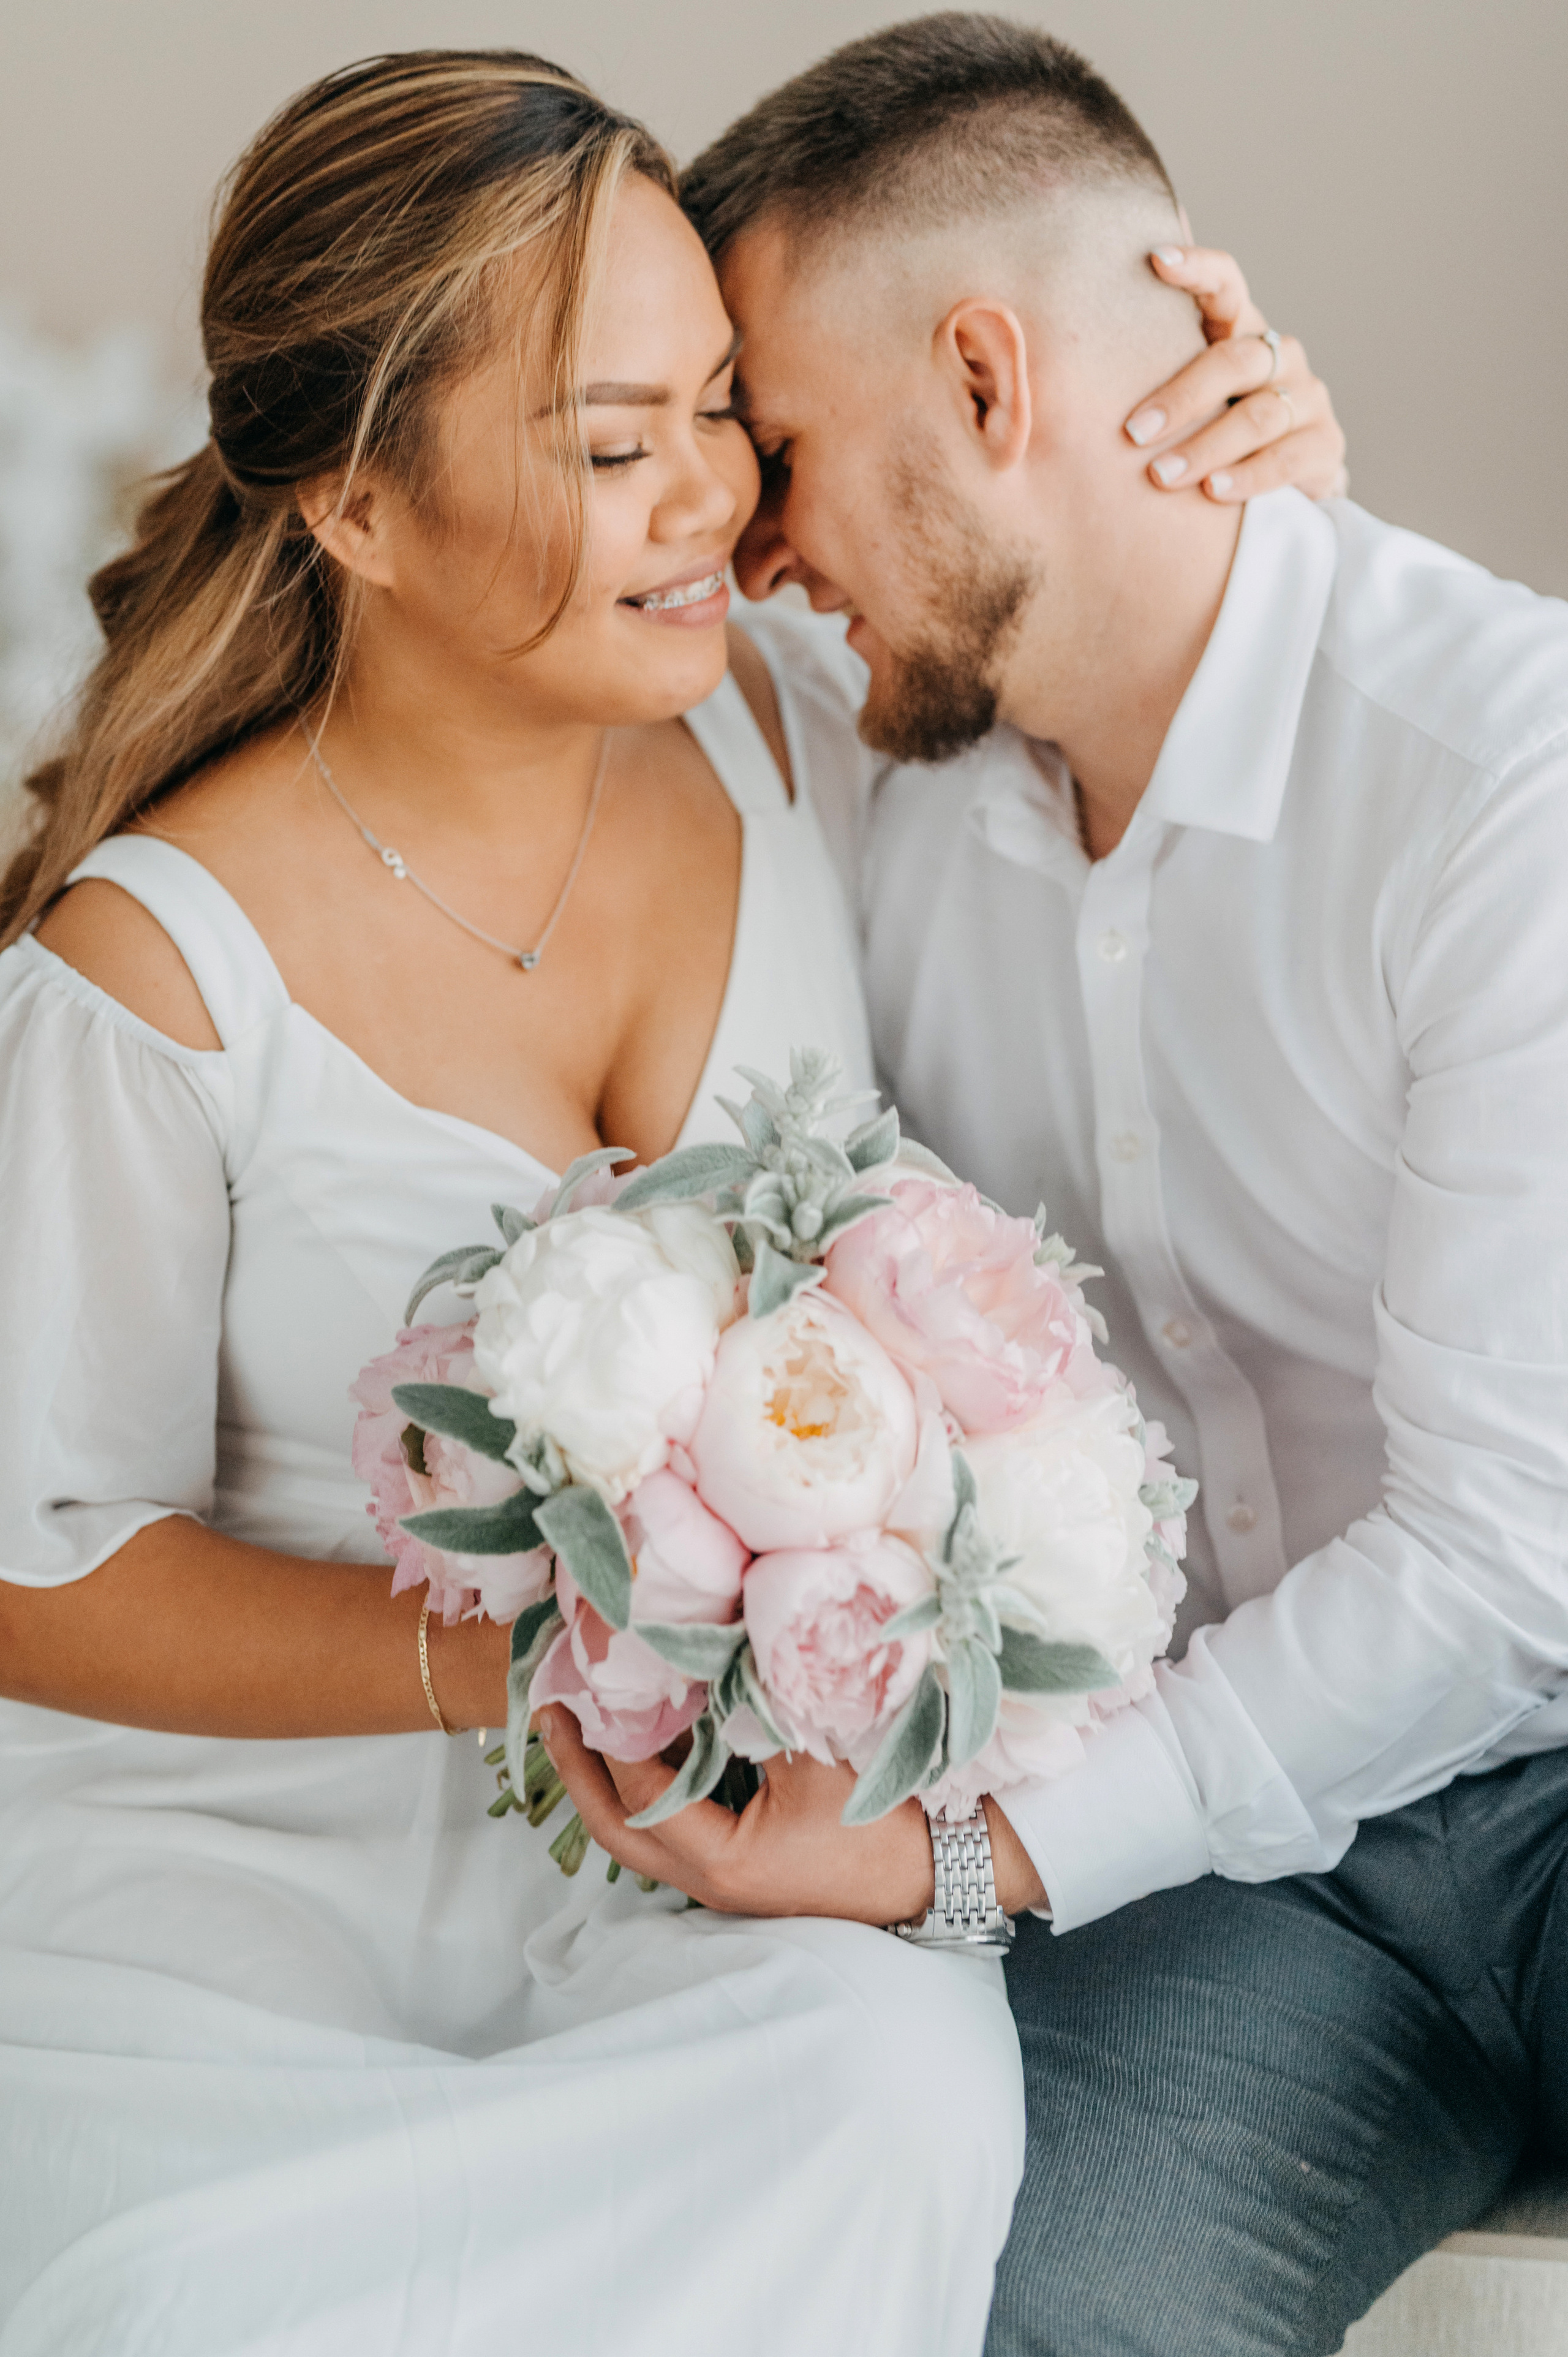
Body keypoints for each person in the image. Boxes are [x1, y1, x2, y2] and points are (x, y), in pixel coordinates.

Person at [0, 44, 1338, 2357]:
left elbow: (1083, 641)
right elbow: (45, 1566)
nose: (716, 498)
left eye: (722, 406)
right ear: (353, 509)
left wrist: (1228, 496)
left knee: (888, 2082)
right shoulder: (151, 973)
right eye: (617, 448)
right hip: (237, 1873)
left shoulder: (785, 728)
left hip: (690, 1872)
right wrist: (543, 1649)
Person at [546, 17, 1568, 2356]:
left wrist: (963, 1860)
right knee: (1024, 2318)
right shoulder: (868, 791)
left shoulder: (1502, 771)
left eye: (774, 442)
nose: (752, 533)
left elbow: (1517, 1550)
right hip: (1245, 1889)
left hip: (1520, 1749)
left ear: (989, 383)